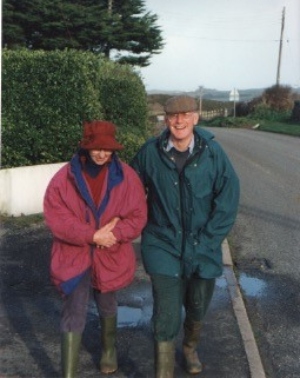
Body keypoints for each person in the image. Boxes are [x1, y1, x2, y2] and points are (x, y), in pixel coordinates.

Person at [131, 95, 240, 377]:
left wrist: (208, 240)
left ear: (195, 117)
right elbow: (129, 194)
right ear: (165, 119)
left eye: (185, 114)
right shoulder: (149, 153)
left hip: (203, 245)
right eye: (173, 115)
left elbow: (227, 200)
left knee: (196, 306)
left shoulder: (213, 154)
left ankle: (190, 347)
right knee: (166, 312)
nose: (179, 120)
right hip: (162, 244)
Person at [43, 120, 147, 377]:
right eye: (96, 148)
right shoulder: (63, 178)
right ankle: (68, 373)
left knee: (107, 303)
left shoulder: (127, 177)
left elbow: (137, 215)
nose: (101, 153)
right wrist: (91, 235)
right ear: (86, 147)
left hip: (110, 254)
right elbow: (57, 218)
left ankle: (108, 350)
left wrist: (115, 233)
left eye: (107, 148)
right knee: (73, 310)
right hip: (74, 255)